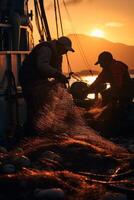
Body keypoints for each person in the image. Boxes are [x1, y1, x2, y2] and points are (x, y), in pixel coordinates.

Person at [19, 36, 74, 136]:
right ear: (59, 46)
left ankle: (37, 130)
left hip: (40, 81)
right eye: (65, 50)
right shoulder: (45, 49)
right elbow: (42, 66)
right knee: (36, 106)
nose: (66, 53)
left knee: (44, 103)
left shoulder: (58, 55)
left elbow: (58, 73)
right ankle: (32, 133)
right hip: (29, 80)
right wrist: (57, 74)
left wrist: (62, 84)